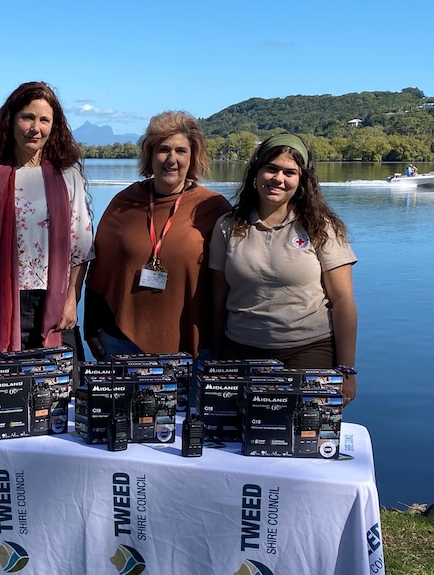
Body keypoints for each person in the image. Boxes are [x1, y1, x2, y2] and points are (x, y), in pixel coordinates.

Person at [209, 132, 358, 405]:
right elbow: (218, 299)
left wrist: (346, 369)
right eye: (271, 169)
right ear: (256, 173)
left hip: (308, 352)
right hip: (241, 352)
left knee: (301, 438)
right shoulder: (227, 226)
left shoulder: (321, 227)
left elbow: (343, 301)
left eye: (290, 172)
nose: (279, 179)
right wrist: (217, 362)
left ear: (302, 180)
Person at [83, 111, 231, 360]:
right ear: (150, 155)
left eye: (181, 151)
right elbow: (98, 272)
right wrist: (90, 330)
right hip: (121, 342)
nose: (171, 159)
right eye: (163, 149)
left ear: (192, 157)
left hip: (193, 345)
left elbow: (228, 283)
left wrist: (221, 344)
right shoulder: (124, 203)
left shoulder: (213, 207)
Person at [0, 81, 94, 366]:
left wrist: (72, 300)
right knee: (4, 395)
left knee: (63, 391)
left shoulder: (69, 177)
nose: (35, 128)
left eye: (44, 120)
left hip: (54, 301)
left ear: (54, 126)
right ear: (11, 120)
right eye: (27, 117)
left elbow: (81, 248)